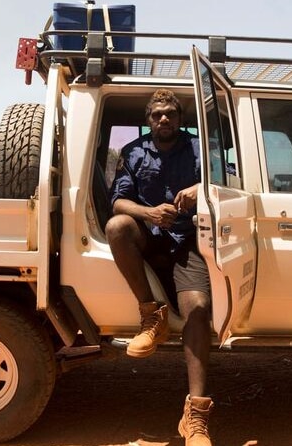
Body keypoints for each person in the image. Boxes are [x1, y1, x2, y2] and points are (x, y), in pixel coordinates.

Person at [105, 89, 214, 446]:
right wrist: (149, 213)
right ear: (149, 119)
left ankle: (195, 417)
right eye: (157, 115)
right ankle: (152, 316)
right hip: (149, 239)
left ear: (180, 119)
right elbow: (118, 201)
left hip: (190, 242)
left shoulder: (201, 150)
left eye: (170, 114)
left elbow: (230, 185)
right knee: (117, 227)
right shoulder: (133, 152)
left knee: (198, 309)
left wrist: (201, 188)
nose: (163, 119)